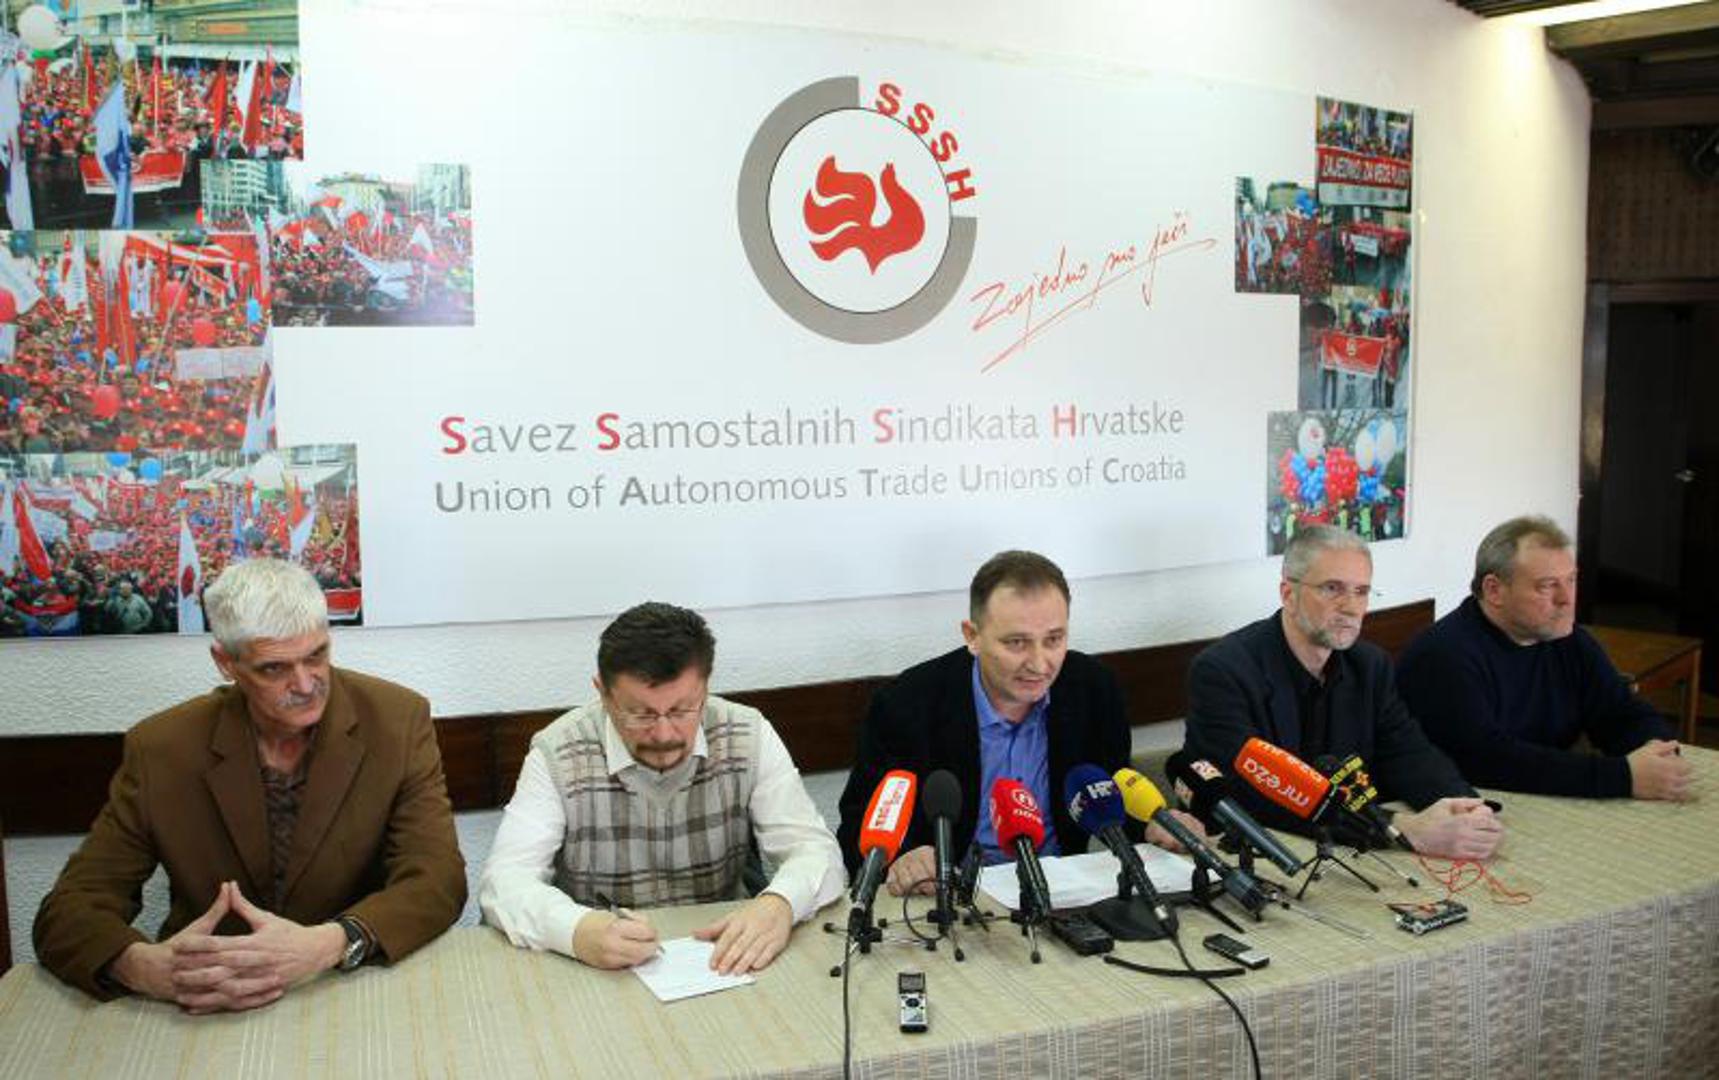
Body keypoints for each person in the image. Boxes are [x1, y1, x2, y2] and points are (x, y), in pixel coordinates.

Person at [32, 558, 465, 1008]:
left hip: (347, 986)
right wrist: (145, 967)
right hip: (210, 997)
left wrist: (333, 942)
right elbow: (70, 907)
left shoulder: (396, 721)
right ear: (226, 662)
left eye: (316, 656)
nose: (305, 685)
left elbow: (438, 878)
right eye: (274, 669)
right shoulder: (163, 747)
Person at [478, 602, 843, 975]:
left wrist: (780, 903)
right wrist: (576, 930)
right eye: (641, 714)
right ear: (603, 693)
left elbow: (817, 852)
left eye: (683, 710)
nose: (664, 734)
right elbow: (504, 882)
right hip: (600, 969)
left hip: (719, 958)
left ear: (706, 687)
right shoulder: (558, 751)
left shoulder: (747, 734)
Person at [836, 550, 1196, 897]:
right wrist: (904, 860)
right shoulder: (906, 704)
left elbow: (1109, 796)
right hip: (952, 899)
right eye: (1017, 643)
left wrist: (1156, 825)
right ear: (972, 636)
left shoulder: (1093, 690)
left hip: (1063, 891)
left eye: (1053, 640)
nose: (1039, 664)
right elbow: (857, 829)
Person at [1182, 525, 1504, 860]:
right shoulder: (1222, 671)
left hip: (1349, 847)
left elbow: (1409, 754)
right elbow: (1253, 797)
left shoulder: (1370, 665)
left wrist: (1465, 808)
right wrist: (1400, 828)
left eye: (1361, 591)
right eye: (1332, 588)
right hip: (1255, 849)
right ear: (1288, 594)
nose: (1351, 607)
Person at [1397, 515, 1691, 800]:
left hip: (1546, 796)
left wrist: (1657, 750)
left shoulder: (1569, 641)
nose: (1567, 599)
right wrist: (1623, 776)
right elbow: (1487, 761)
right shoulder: (1442, 655)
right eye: (1548, 585)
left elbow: (1621, 712)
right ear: (1494, 590)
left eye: (1571, 580)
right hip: (1474, 805)